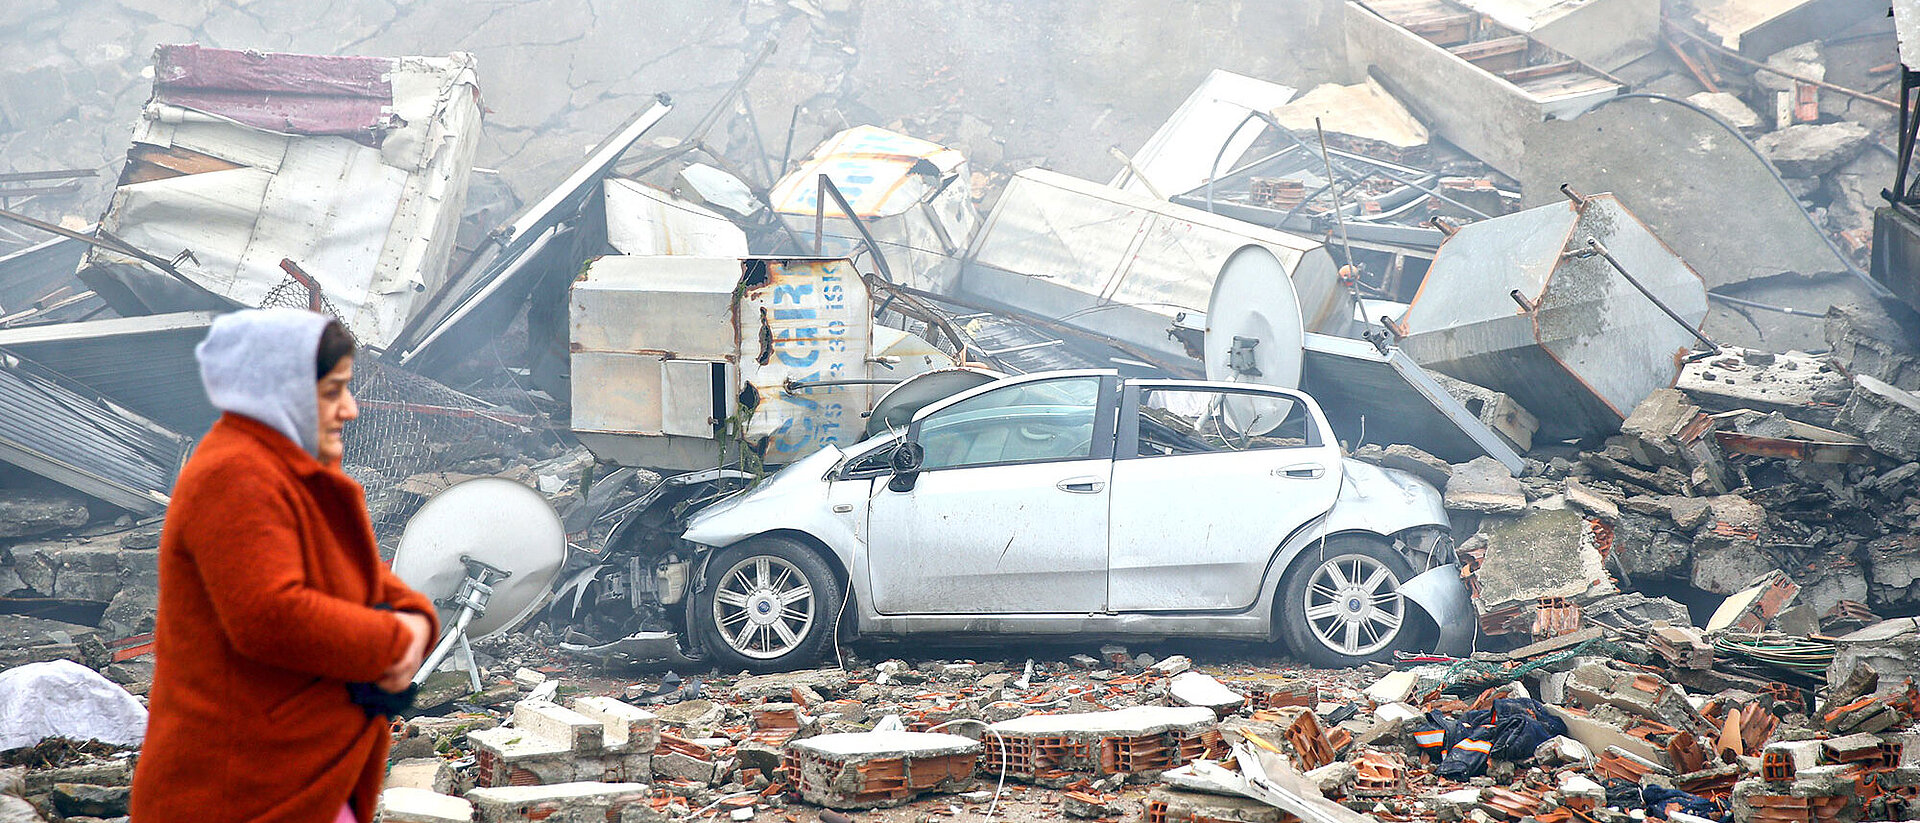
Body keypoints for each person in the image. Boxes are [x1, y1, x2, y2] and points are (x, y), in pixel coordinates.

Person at [131, 309, 439, 823]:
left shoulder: (288, 474)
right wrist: (395, 643)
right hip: (241, 787)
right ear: (283, 393)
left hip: (298, 776)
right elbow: (270, 615)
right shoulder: (235, 476)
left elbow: (366, 581)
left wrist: (416, 622)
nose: (350, 410)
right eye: (333, 391)